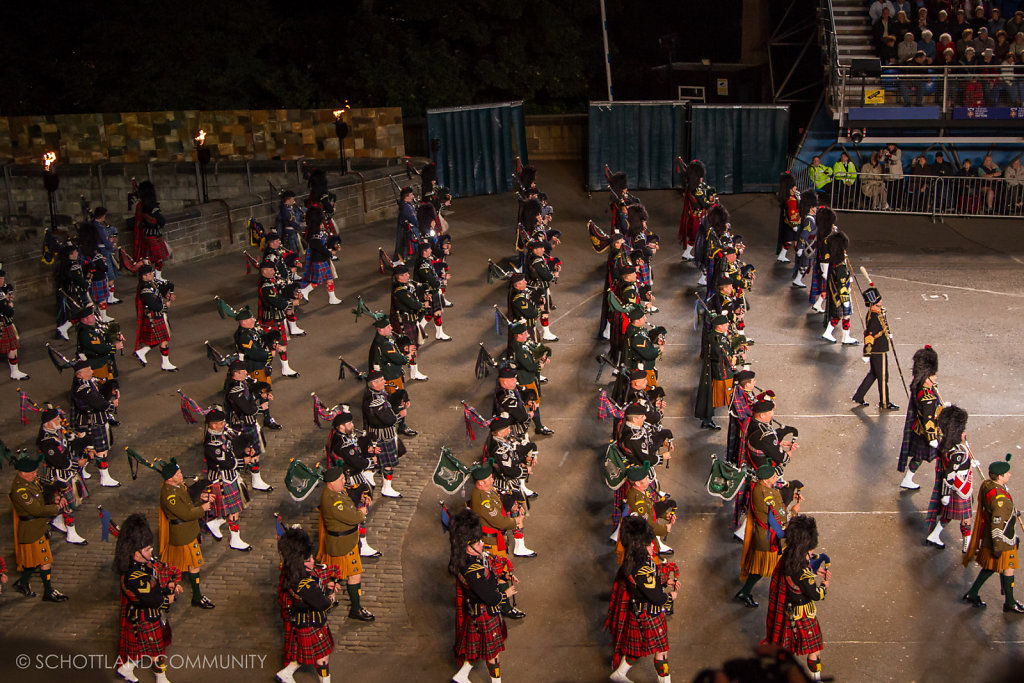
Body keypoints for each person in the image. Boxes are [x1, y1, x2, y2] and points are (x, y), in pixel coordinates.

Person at [606, 517, 674, 683]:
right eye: (648, 543)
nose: (652, 546)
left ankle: (619, 674)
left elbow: (647, 585)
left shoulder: (631, 561)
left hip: (638, 611)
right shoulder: (642, 567)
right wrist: (670, 596)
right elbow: (657, 598)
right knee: (662, 650)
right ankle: (665, 680)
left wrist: (664, 582)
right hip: (650, 613)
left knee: (636, 648)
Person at [114, 513, 181, 683]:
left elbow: (157, 579)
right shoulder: (133, 577)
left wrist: (168, 585)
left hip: (146, 615)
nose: (151, 551)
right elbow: (153, 600)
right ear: (134, 553)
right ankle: (161, 677)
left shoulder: (144, 563)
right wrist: (168, 598)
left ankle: (125, 669)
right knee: (156, 649)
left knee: (141, 647)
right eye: (146, 549)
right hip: (144, 616)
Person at [764, 515, 830, 682]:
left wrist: (813, 570)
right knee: (814, 650)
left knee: (787, 648)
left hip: (789, 611)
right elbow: (815, 594)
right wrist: (824, 586)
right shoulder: (801, 570)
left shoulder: (789, 557)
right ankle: (816, 679)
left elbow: (803, 567)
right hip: (804, 614)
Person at [448, 508, 511, 683]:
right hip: (484, 612)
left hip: (475, 612)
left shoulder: (468, 561)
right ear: (467, 547)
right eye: (477, 544)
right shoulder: (472, 570)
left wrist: (502, 576)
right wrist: (505, 593)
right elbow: (490, 597)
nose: (481, 545)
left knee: (475, 647)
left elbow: (487, 577)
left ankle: (461, 676)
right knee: (493, 652)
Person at [962, 454, 1024, 613]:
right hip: (1002, 541)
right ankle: (1010, 603)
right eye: (1007, 473)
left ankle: (972, 593)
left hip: (992, 539)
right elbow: (997, 522)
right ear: (1000, 476)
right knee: (1008, 567)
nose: (1010, 475)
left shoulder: (989, 485)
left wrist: (1011, 512)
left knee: (991, 567)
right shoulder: (1000, 499)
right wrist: (998, 546)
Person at [276, 527, 337, 683]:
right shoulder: (304, 585)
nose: (313, 562)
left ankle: (285, 674)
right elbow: (324, 604)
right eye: (308, 560)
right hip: (312, 622)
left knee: (302, 651)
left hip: (301, 621)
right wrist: (331, 596)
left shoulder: (291, 572)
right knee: (322, 658)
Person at [735, 465, 800, 608]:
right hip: (770, 540)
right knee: (765, 569)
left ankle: (745, 592)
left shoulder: (758, 488)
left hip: (761, 536)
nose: (776, 479)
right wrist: (794, 512)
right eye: (773, 477)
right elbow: (782, 519)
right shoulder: (771, 495)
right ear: (765, 480)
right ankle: (746, 592)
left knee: (760, 569)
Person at [317, 466, 375, 622]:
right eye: (341, 479)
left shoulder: (335, 492)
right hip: (343, 545)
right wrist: (361, 512)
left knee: (332, 574)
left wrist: (362, 495)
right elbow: (353, 517)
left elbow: (349, 495)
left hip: (343, 542)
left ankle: (328, 601)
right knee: (354, 574)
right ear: (331, 483)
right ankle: (355, 609)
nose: (344, 481)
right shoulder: (334, 502)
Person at [9, 454, 69, 602]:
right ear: (22, 473)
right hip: (31, 529)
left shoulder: (29, 481)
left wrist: (53, 498)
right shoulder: (20, 490)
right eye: (32, 473)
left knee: (34, 560)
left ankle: (23, 582)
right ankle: (48, 591)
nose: (35, 475)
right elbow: (35, 510)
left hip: (37, 527)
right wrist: (55, 508)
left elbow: (40, 495)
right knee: (45, 559)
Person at [158, 459, 215, 609]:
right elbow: (186, 513)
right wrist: (203, 508)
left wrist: (200, 498)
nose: (181, 475)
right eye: (178, 473)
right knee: (192, 564)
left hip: (187, 531)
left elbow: (187, 500)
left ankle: (169, 592)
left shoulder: (176, 487)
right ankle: (196, 596)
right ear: (170, 478)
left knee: (177, 565)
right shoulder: (169, 496)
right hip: (183, 535)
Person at [324, 409, 380, 557]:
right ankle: (362, 544)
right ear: (341, 426)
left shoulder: (341, 438)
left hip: (351, 478)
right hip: (351, 481)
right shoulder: (343, 443)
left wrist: (367, 450)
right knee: (359, 510)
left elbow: (357, 452)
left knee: (359, 508)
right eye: (349, 423)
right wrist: (371, 461)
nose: (352, 424)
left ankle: (361, 542)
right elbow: (356, 461)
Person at [200, 409, 254, 553]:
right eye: (218, 423)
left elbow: (237, 437)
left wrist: (246, 448)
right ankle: (235, 539)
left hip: (230, 476)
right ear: (211, 425)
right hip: (223, 480)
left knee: (230, 508)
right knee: (234, 510)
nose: (222, 425)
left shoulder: (222, 430)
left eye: (222, 422)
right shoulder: (212, 444)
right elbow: (227, 463)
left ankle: (215, 523)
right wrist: (244, 461)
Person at [924, 405, 975, 551]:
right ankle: (967, 543)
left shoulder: (948, 444)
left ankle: (934, 535)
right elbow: (950, 474)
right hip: (959, 486)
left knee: (948, 515)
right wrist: (945, 494)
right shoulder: (957, 452)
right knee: (966, 517)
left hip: (958, 485)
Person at [38, 407, 90, 545]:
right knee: (67, 503)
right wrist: (78, 463)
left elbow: (69, 444)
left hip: (66, 473)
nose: (60, 420)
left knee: (64, 502)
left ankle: (56, 520)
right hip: (57, 476)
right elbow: (60, 462)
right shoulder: (45, 441)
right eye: (56, 419)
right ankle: (71, 533)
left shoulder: (57, 430)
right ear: (48, 423)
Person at [224, 360, 276, 488]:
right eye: (243, 372)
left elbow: (250, 394)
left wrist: (262, 394)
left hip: (248, 423)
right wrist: (261, 408)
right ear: (235, 373)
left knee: (252, 450)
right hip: (243, 425)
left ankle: (254, 474)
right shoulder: (235, 390)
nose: (246, 373)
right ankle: (256, 480)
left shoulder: (241, 383)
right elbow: (247, 409)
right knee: (253, 451)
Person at [897, 346, 943, 491]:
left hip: (919, 430)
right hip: (928, 432)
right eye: (933, 374)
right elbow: (928, 419)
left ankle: (908, 478)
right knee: (944, 455)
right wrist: (932, 438)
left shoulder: (921, 388)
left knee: (918, 458)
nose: (935, 377)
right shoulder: (927, 396)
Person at [71, 359, 121, 487]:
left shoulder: (86, 382)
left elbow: (101, 388)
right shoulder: (82, 388)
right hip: (92, 421)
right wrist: (112, 404)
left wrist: (113, 387)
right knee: (101, 450)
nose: (92, 371)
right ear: (80, 374)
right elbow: (98, 403)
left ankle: (81, 471)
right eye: (88, 370)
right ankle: (104, 477)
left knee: (90, 449)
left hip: (93, 420)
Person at [852, 284, 900, 410]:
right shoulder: (873, 317)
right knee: (883, 377)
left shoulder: (876, 312)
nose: (881, 301)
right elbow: (869, 336)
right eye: (879, 300)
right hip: (878, 350)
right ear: (874, 304)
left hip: (879, 348)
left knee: (873, 374)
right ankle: (884, 402)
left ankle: (859, 396)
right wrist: (866, 353)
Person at [367, 316, 417, 436]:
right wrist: (408, 356)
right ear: (381, 330)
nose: (391, 327)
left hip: (390, 373)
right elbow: (399, 359)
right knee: (397, 400)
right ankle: (400, 425)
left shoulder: (383, 339)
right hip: (391, 376)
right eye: (388, 326)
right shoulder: (384, 344)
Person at [362, 370, 406, 498]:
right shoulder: (375, 400)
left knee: (378, 459)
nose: (384, 381)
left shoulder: (373, 393)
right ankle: (386, 487)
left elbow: (389, 404)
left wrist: (401, 398)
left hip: (377, 434)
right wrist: (400, 415)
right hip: (383, 435)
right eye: (381, 380)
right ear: (374, 384)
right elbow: (389, 419)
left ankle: (371, 474)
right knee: (388, 463)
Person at [258, 258, 301, 378]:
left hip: (275, 317)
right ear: (264, 271)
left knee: (276, 344)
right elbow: (276, 302)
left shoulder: (270, 281)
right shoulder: (266, 286)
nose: (273, 271)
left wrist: (292, 293)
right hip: (272, 318)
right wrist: (292, 303)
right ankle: (272, 367)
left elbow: (280, 294)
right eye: (271, 269)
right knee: (274, 344)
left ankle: (281, 367)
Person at [694, 314, 736, 430]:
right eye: (725, 323)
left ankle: (707, 420)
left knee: (713, 396)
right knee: (728, 397)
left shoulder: (716, 335)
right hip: (722, 372)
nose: (728, 324)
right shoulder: (717, 339)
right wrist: (735, 359)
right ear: (719, 326)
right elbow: (721, 355)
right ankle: (738, 416)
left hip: (718, 370)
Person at [134, 264, 177, 371]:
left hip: (158, 315)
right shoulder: (145, 290)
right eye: (149, 274)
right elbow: (155, 306)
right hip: (153, 317)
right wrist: (165, 305)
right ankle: (165, 363)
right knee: (164, 339)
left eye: (152, 272)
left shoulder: (152, 283)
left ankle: (142, 352)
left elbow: (168, 285)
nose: (152, 275)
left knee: (161, 339)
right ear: (143, 276)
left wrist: (168, 294)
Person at [390, 265, 429, 381]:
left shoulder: (406, 285)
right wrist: (423, 305)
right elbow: (414, 304)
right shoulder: (400, 291)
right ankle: (413, 372)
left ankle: (411, 368)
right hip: (405, 322)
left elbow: (418, 290)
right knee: (411, 348)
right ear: (398, 277)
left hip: (411, 320)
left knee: (410, 347)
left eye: (407, 273)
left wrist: (425, 293)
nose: (408, 276)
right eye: (404, 275)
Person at [298, 206, 342, 305]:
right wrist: (329, 252)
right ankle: (305, 291)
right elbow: (317, 245)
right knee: (318, 281)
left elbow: (325, 242)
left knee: (329, 278)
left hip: (323, 258)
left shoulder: (317, 229)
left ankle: (332, 298)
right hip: (319, 258)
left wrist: (334, 246)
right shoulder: (314, 231)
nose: (322, 224)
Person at [821, 230, 858, 345]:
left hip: (835, 295)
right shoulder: (841, 267)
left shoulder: (834, 264)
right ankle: (845, 337)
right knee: (845, 316)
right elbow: (842, 286)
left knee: (838, 316)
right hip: (841, 296)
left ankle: (829, 333)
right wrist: (846, 301)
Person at [132, 180, 169, 276]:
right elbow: (162, 221)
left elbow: (138, 223)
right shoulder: (153, 205)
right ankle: (156, 276)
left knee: (150, 258)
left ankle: (155, 277)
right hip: (155, 235)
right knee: (157, 258)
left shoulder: (141, 206)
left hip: (147, 235)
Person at [679, 159, 713, 261]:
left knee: (696, 237)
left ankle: (687, 253)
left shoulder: (691, 187)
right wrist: (712, 202)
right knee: (700, 236)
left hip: (693, 216)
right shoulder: (697, 191)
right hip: (697, 217)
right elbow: (705, 204)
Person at [0, 266, 29, 380]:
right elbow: (8, 311)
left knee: (12, 347)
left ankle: (15, 371)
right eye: (0, 278)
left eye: (2, 278)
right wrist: (9, 306)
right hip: (3, 323)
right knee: (12, 346)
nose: (2, 281)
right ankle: (14, 372)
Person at [727, 370, 756, 465]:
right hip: (742, 430)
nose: (755, 382)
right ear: (747, 385)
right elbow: (745, 415)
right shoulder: (740, 395)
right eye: (753, 381)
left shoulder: (743, 391)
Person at [395, 186, 420, 261]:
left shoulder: (407, 205)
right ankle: (403, 260)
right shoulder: (406, 207)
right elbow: (413, 219)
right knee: (405, 245)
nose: (413, 196)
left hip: (406, 229)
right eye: (411, 195)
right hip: (406, 230)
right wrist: (419, 225)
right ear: (406, 196)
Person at [276, 190, 305, 255]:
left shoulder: (289, 208)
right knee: (293, 252)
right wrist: (301, 225)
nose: (293, 201)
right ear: (288, 200)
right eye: (292, 199)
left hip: (293, 232)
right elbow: (291, 221)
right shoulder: (285, 210)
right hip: (290, 234)